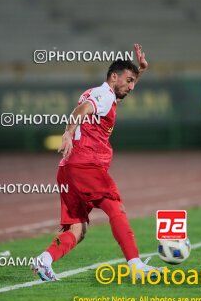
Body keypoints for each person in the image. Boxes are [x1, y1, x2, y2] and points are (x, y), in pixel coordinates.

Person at [32, 44, 163, 281]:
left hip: (69, 169)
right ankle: (135, 265)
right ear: (114, 77)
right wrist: (68, 131)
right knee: (116, 208)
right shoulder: (102, 95)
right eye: (129, 80)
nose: (132, 87)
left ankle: (44, 260)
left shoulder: (103, 93)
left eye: (134, 81)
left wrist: (140, 71)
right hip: (87, 165)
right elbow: (81, 109)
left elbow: (102, 101)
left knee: (77, 229)